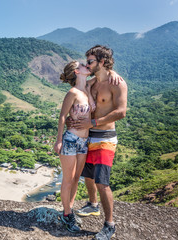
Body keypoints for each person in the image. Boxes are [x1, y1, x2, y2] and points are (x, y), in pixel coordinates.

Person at [69, 45, 128, 240]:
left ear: (102, 62)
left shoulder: (117, 83)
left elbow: (121, 112)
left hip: (105, 138)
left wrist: (93, 121)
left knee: (102, 182)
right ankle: (93, 205)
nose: (88, 64)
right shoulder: (92, 83)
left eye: (91, 62)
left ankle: (110, 225)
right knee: (87, 175)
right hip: (88, 135)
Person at [53, 60, 95, 232]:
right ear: (77, 71)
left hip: (84, 142)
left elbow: (103, 76)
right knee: (68, 180)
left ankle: (68, 211)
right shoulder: (73, 92)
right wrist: (59, 140)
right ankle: (67, 214)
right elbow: (63, 116)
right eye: (84, 65)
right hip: (70, 139)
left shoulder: (87, 90)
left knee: (77, 179)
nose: (87, 65)